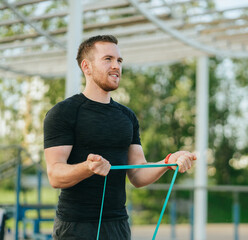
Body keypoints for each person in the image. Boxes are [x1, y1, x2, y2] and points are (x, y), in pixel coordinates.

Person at [43, 35, 197, 240]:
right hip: (76, 226)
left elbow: (137, 175)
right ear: (86, 67)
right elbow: (55, 175)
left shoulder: (127, 117)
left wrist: (168, 162)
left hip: (118, 226)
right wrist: (87, 168)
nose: (116, 66)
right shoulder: (64, 113)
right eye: (108, 59)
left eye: (119, 60)